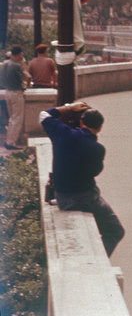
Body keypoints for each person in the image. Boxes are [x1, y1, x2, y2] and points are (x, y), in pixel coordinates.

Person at [40, 101, 125, 256]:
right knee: (115, 230)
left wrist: (68, 108)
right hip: (83, 198)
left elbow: (44, 115)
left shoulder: (63, 133)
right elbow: (95, 172)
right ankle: (100, 259)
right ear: (100, 127)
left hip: (61, 194)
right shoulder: (97, 149)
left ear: (81, 122)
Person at [1, 46, 27, 150]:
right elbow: (25, 77)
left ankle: (9, 140)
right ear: (19, 54)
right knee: (17, 119)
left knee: (11, 118)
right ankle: (11, 142)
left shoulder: (4, 64)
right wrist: (23, 65)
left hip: (7, 92)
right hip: (16, 92)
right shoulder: (16, 66)